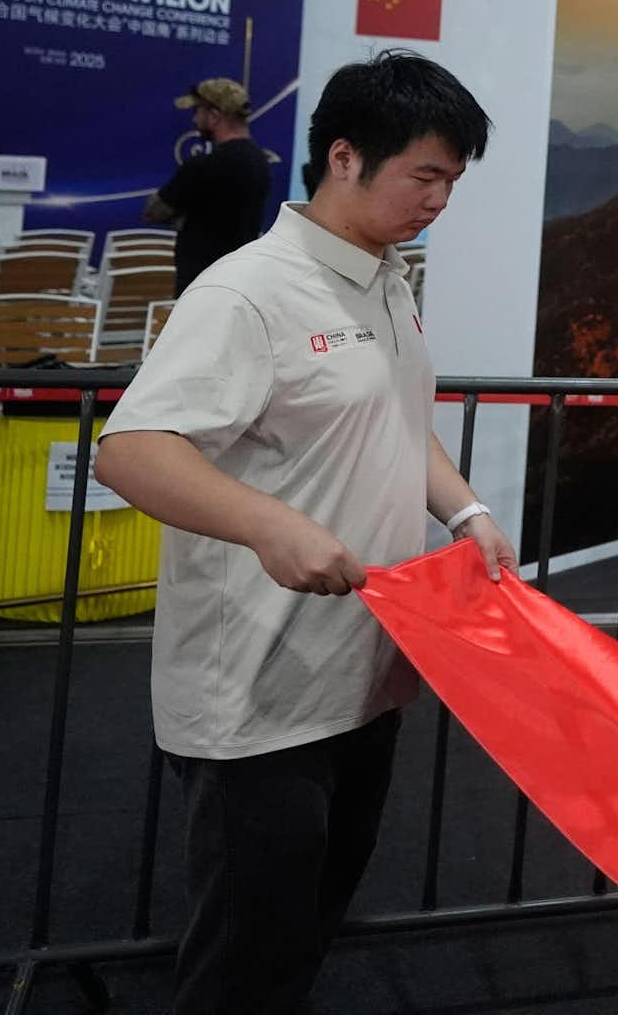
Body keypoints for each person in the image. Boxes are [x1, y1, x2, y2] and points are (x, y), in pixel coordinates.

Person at [94, 52, 516, 1015]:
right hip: (256, 697)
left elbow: (399, 427)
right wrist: (270, 524)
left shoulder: (389, 280)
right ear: (343, 157)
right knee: (248, 955)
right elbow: (132, 450)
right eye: (426, 176)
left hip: (364, 678)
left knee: (310, 924)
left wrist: (466, 511)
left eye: (452, 180)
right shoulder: (249, 292)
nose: (440, 201)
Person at [146, 76, 274, 294]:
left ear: (214, 116)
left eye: (197, 111)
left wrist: (183, 219)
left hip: (200, 286)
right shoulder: (261, 162)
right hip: (240, 285)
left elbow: (154, 211)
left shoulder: (203, 166)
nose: (195, 120)